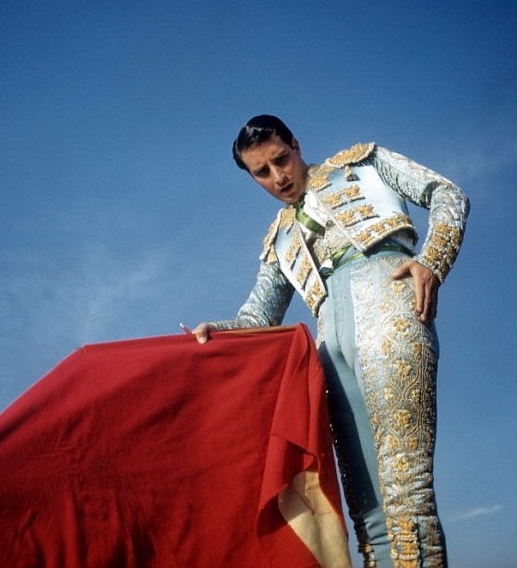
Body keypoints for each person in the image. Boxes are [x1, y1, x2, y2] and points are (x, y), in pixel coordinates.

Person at [193, 115, 469, 568]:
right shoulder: (278, 237)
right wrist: (219, 331)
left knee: (406, 486)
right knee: (366, 511)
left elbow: (447, 193)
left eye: (282, 160)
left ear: (297, 146)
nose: (278, 177)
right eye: (262, 172)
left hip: (389, 311)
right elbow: (258, 317)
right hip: (329, 352)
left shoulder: (362, 164)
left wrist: (432, 261)